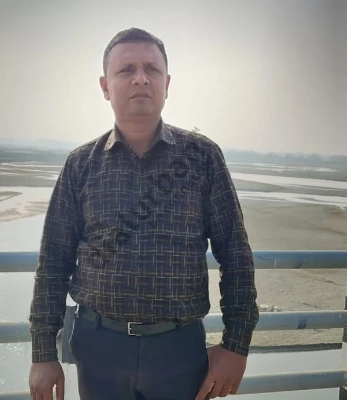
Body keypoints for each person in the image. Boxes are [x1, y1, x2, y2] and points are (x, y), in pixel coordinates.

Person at [28, 27, 259, 400]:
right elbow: (53, 264)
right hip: (98, 350)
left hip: (179, 352)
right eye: (126, 70)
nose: (140, 78)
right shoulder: (80, 165)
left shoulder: (202, 158)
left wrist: (236, 346)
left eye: (152, 69)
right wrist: (42, 353)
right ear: (105, 86)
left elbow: (236, 256)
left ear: (167, 83)